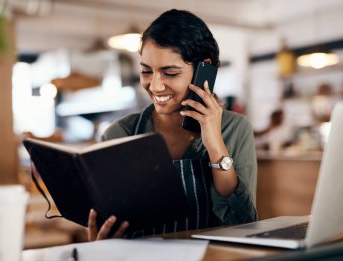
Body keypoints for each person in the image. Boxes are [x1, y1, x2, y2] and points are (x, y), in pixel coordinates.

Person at [88, 9, 257, 241]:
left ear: (203, 69)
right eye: (147, 71)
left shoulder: (235, 129)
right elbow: (107, 225)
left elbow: (244, 223)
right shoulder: (117, 134)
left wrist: (216, 145)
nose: (155, 86)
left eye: (169, 73)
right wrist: (101, 241)